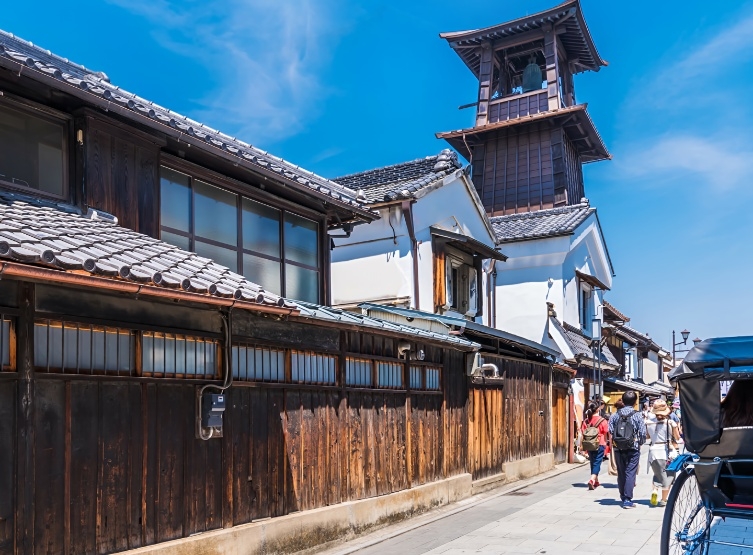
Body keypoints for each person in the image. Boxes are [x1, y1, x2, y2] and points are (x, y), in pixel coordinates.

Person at [609, 391, 647, 509]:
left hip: (618, 447)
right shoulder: (637, 415)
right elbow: (643, 432)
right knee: (630, 472)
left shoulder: (615, 415)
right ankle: (627, 499)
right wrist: (640, 443)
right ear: (635, 402)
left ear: (623, 401)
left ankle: (622, 495)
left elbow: (610, 430)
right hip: (633, 447)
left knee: (621, 471)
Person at [645, 399, 680, 507]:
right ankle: (663, 500)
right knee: (668, 476)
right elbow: (677, 437)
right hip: (665, 451)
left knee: (657, 474)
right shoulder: (670, 422)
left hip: (653, 451)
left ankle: (655, 490)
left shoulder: (648, 422)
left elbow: (647, 436)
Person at [581, 401, 609, 490]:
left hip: (588, 443)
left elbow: (583, 432)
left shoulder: (586, 420)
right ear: (597, 409)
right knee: (597, 462)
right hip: (599, 442)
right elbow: (606, 431)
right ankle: (592, 480)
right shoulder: (602, 420)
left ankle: (596, 481)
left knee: (593, 462)